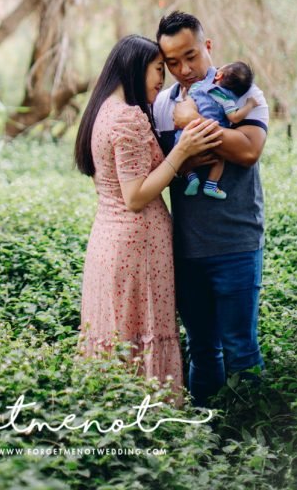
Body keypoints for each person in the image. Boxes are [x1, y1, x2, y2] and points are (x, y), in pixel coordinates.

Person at [74, 34, 222, 402]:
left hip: (108, 242)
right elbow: (136, 195)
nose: (163, 79)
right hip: (135, 250)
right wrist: (182, 151)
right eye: (159, 69)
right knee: (141, 336)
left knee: (116, 337)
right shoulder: (127, 118)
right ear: (136, 68)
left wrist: (183, 160)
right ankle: (153, 425)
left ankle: (115, 417)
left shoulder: (101, 111)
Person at [154, 12, 269, 406]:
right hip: (186, 249)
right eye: (171, 62)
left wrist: (195, 123)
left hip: (236, 241)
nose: (183, 70)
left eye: (190, 56)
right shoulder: (162, 105)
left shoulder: (240, 91)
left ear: (208, 46)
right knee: (202, 349)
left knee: (241, 348)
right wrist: (188, 142)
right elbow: (166, 170)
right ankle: (207, 436)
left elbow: (250, 150)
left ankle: (256, 434)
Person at [177, 61, 263, 200]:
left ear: (218, 75)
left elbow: (187, 102)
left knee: (183, 156)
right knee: (219, 159)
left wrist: (184, 96)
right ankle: (211, 185)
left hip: (189, 134)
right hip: (210, 136)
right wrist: (249, 105)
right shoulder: (225, 98)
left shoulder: (197, 87)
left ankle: (191, 177)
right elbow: (234, 118)